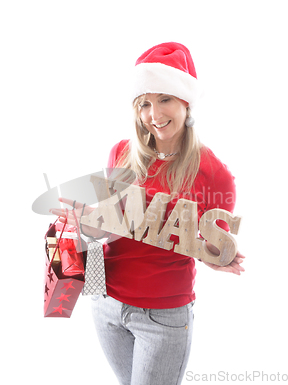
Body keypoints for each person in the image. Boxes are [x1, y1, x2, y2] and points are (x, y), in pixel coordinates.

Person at [50, 42, 245, 385]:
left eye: (165, 99)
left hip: (164, 314)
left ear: (186, 101)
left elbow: (201, 243)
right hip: (105, 302)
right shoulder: (121, 153)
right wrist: (85, 221)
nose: (154, 115)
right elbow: (111, 226)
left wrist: (215, 256)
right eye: (144, 104)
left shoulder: (215, 175)